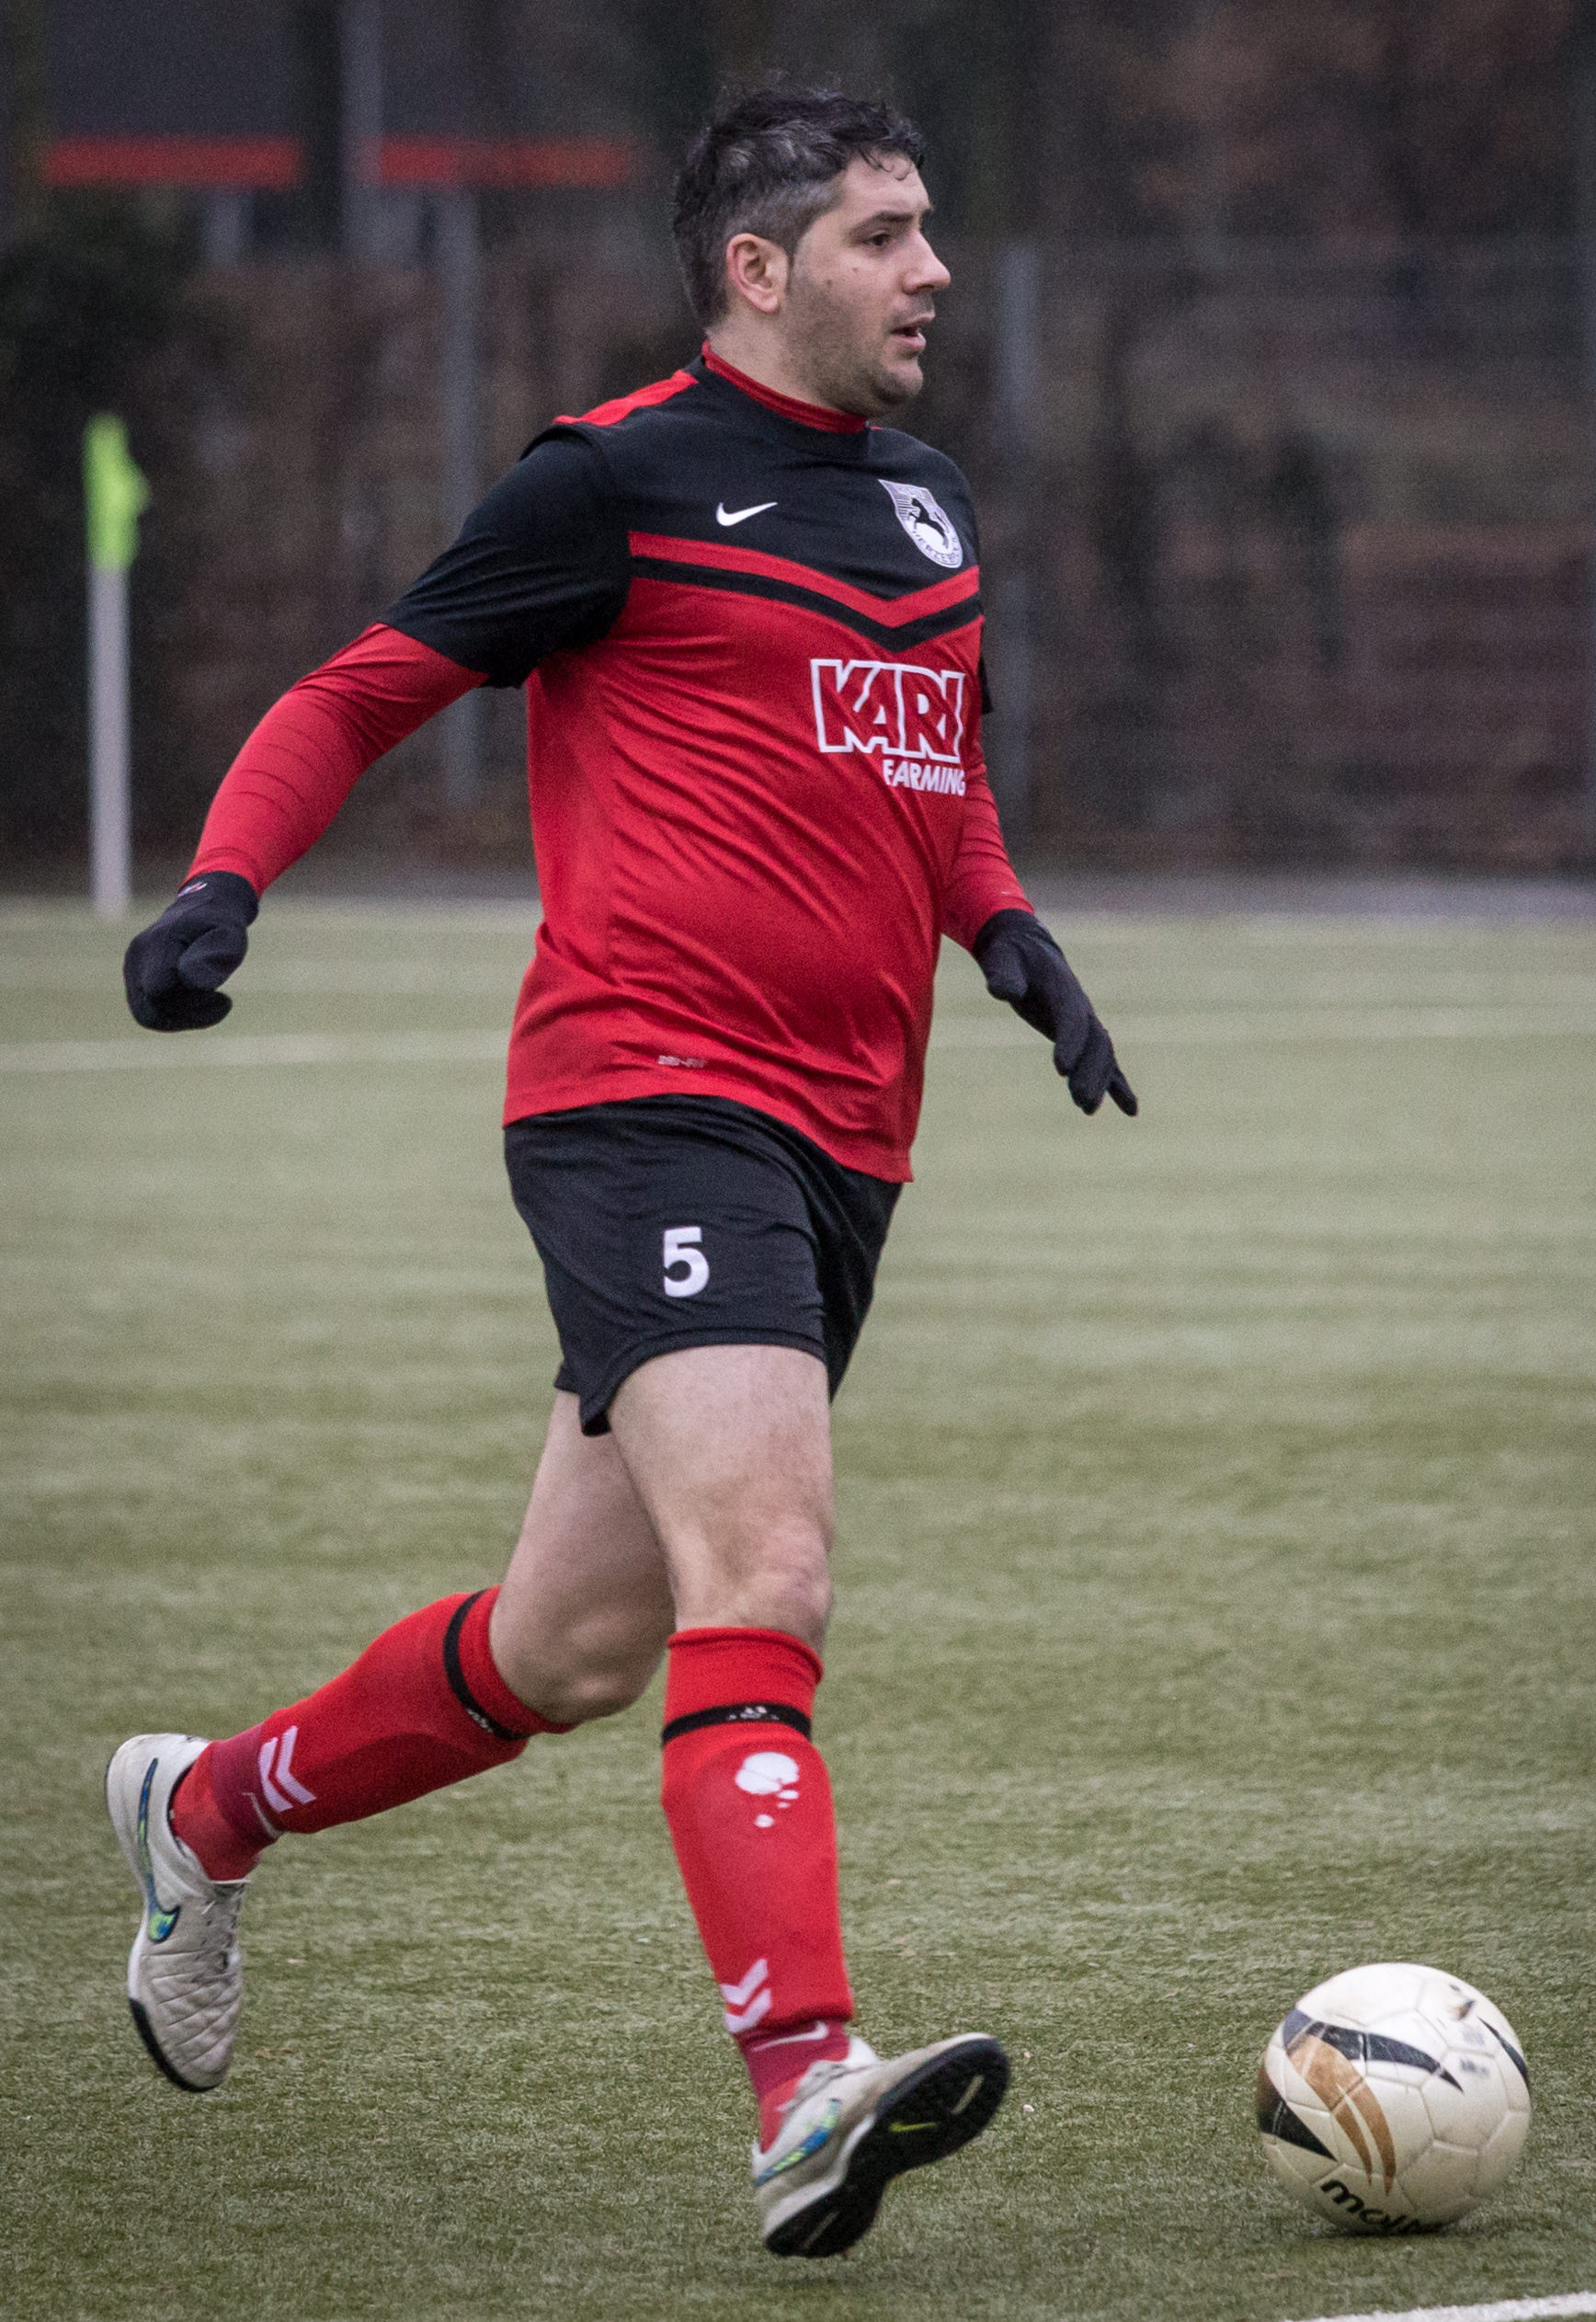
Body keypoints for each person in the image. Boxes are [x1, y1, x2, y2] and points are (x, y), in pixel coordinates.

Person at [108, 83, 1134, 2260]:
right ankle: (802, 2086)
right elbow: (358, 691)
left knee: (566, 1646)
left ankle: (204, 1812)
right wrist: (220, 885)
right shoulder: (613, 478)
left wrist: (1009, 937)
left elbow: (929, 765)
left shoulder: (929, 505)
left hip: (845, 1141)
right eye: (882, 234)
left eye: (927, 227)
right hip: (646, 1096)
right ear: (756, 270)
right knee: (767, 1568)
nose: (932, 270)